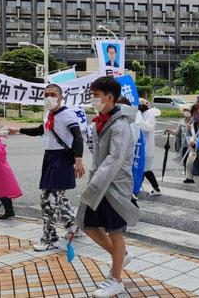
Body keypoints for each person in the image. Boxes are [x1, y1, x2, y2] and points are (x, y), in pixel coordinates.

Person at [76, 76, 141, 297]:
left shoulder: (121, 124)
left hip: (114, 186)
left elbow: (114, 160)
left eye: (96, 95)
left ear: (109, 97)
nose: (92, 99)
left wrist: (92, 187)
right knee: (88, 225)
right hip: (100, 182)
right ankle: (121, 255)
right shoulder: (100, 120)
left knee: (115, 232)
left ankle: (116, 280)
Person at [8, 84, 85, 251]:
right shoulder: (49, 114)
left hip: (62, 158)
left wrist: (78, 159)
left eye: (53, 94)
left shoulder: (67, 114)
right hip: (49, 157)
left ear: (60, 97)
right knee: (59, 197)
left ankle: (50, 238)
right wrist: (18, 130)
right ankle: (74, 226)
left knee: (48, 200)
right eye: (46, 94)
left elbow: (78, 137)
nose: (49, 97)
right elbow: (40, 130)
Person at [116, 97, 143, 206]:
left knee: (122, 187)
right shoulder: (127, 122)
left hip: (122, 162)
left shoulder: (130, 123)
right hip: (122, 162)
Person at [137, 98, 162, 196]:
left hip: (147, 148)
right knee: (146, 170)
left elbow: (149, 128)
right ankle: (156, 189)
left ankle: (135, 190)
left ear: (142, 106)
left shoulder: (149, 115)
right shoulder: (143, 114)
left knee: (143, 170)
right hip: (143, 147)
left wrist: (139, 121)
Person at [167, 106, 194, 184]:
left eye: (187, 110)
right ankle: (188, 177)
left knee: (191, 161)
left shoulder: (194, 121)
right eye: (185, 110)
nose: (186, 112)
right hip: (184, 145)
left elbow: (197, 133)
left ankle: (193, 176)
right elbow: (178, 133)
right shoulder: (182, 121)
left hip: (192, 145)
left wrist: (191, 129)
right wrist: (171, 131)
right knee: (185, 161)